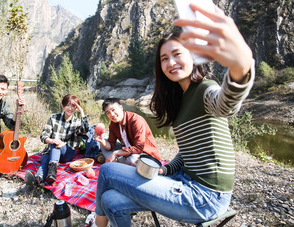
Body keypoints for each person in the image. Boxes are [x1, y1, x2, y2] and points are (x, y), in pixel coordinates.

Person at [95, 2, 254, 226]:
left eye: (177, 54)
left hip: (206, 197)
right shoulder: (180, 100)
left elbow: (225, 104)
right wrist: (166, 169)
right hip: (183, 181)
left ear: (192, 55)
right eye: (164, 59)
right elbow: (188, 151)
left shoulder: (204, 89)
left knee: (108, 171)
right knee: (110, 200)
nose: (171, 62)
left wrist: (241, 67)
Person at [25, 94, 97, 185]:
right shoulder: (54, 118)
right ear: (63, 106)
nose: (70, 108)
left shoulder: (78, 122)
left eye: (73, 106)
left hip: (67, 152)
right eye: (68, 105)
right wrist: (51, 140)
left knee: (56, 143)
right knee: (45, 160)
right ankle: (38, 179)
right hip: (51, 151)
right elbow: (43, 136)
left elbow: (85, 131)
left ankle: (51, 172)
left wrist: (82, 112)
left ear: (76, 108)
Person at [94, 98, 160, 166]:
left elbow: (139, 148)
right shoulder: (113, 124)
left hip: (145, 153)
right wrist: (101, 140)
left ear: (121, 107)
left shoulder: (136, 120)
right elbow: (111, 145)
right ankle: (117, 161)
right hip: (128, 148)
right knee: (103, 145)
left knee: (133, 159)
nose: (112, 114)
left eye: (113, 110)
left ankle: (115, 161)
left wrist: (116, 153)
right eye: (108, 113)